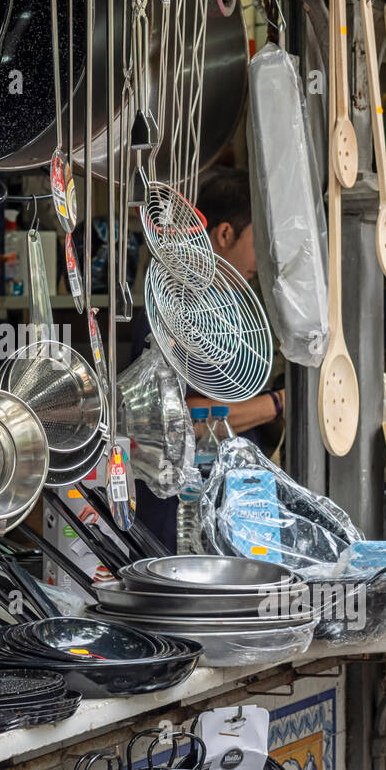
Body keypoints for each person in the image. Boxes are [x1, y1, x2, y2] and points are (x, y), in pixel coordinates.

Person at [129, 166, 285, 551]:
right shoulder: (169, 310)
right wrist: (274, 405)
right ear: (226, 233)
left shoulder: (237, 311)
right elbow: (179, 420)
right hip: (177, 512)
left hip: (236, 507)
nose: (263, 258)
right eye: (258, 240)